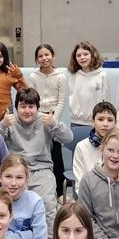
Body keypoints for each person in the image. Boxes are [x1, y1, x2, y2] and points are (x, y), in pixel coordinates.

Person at [0, 85, 72, 225]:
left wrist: (54, 124)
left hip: (42, 171)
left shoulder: (45, 120)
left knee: (48, 207)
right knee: (15, 207)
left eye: (31, 106)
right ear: (16, 107)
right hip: (17, 171)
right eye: (23, 106)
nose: (27, 111)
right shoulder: (10, 121)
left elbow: (68, 138)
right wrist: (2, 125)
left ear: (37, 108)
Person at [28, 43, 70, 198]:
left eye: (47, 54)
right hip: (37, 117)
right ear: (36, 59)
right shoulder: (33, 76)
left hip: (53, 117)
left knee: (56, 154)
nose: (44, 58)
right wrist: (38, 117)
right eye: (40, 56)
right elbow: (32, 99)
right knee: (39, 150)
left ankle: (59, 192)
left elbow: (61, 101)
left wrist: (53, 120)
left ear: (53, 56)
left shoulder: (60, 77)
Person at [0, 153, 48, 239]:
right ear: (0, 177)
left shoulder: (35, 202)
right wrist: (28, 234)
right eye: (8, 176)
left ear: (27, 178)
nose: (13, 183)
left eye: (19, 177)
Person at [67, 40, 109, 160]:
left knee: (95, 156)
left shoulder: (102, 75)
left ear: (92, 55)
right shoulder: (73, 75)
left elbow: (106, 102)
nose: (82, 57)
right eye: (79, 55)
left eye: (85, 54)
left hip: (95, 123)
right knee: (77, 156)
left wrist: (101, 120)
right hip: (76, 122)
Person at [71, 101, 117, 188]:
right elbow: (80, 183)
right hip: (89, 193)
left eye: (110, 120)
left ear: (115, 124)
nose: (105, 124)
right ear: (93, 122)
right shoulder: (81, 147)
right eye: (100, 119)